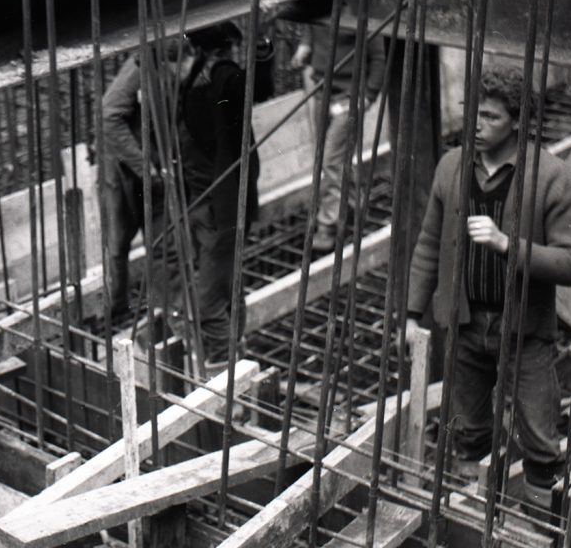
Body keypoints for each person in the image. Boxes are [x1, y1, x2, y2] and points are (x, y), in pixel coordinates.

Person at [406, 66, 571, 528]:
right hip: (464, 324)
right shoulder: (453, 166)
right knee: (468, 428)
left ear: (517, 122)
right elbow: (429, 242)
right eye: (473, 113)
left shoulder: (552, 177)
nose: (477, 124)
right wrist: (412, 314)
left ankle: (540, 533)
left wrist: (508, 244)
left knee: (541, 439)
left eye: (489, 116)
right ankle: (477, 521)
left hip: (524, 330)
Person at [177, 20, 275, 368]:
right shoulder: (198, 77)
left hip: (221, 209)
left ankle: (225, 376)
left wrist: (262, 44)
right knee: (226, 291)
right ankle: (237, 358)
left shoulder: (223, 76)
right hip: (204, 206)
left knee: (209, 306)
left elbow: (257, 89)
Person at [101, 37, 195, 319]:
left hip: (155, 170)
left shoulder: (179, 64)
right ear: (166, 64)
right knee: (117, 243)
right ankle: (116, 307)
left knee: (163, 243)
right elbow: (109, 117)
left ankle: (166, 308)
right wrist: (143, 166)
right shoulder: (137, 69)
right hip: (123, 170)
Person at [291, 20, 386, 251]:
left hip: (349, 97)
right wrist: (305, 46)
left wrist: (369, 95)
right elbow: (310, 26)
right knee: (329, 158)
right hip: (321, 91)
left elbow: (379, 57)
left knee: (332, 161)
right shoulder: (320, 0)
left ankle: (328, 226)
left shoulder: (360, 6)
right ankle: (353, 205)